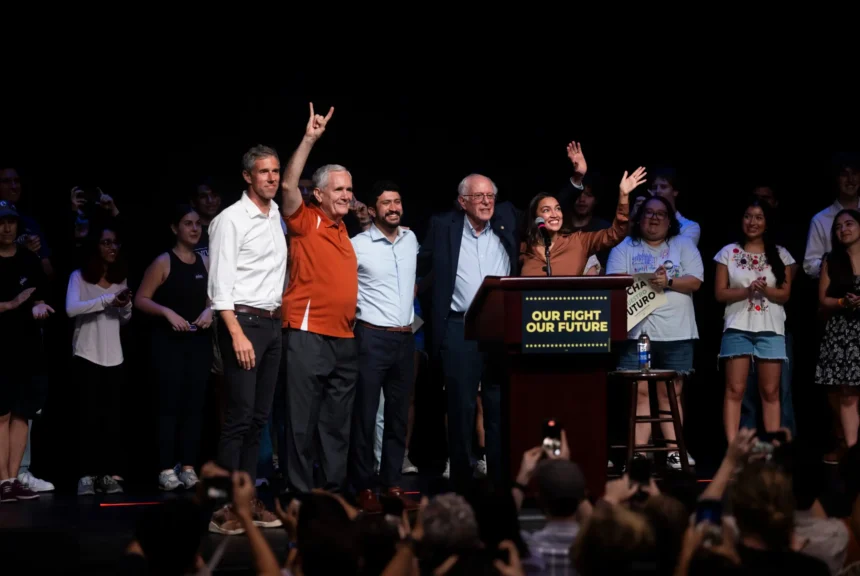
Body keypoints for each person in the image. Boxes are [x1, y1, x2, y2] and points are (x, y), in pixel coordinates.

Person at [418, 172, 520, 491]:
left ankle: (500, 478)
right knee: (461, 407)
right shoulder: (443, 226)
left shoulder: (507, 219)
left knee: (498, 405)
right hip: (458, 326)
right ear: (463, 202)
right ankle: (461, 479)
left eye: (490, 195)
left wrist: (575, 181)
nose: (487, 202)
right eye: (479, 197)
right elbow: (422, 266)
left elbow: (547, 209)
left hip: (500, 330)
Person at [207, 144, 287, 533]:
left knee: (259, 419)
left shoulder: (275, 216)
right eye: (264, 172)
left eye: (275, 171)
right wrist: (236, 333)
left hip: (272, 324)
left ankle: (249, 499)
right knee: (238, 418)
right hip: (242, 322)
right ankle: (223, 507)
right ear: (247, 177)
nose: (271, 178)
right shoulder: (230, 220)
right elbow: (219, 287)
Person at [280, 103, 359, 494]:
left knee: (336, 424)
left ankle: (331, 491)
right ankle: (298, 493)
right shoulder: (306, 218)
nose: (347, 194)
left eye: (349, 189)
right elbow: (288, 186)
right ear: (320, 193)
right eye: (339, 189)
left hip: (344, 339)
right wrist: (310, 139)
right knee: (301, 422)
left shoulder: (344, 229)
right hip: (308, 335)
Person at [607, 195, 703, 469]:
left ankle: (675, 451)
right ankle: (638, 454)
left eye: (661, 214)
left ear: (670, 220)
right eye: (649, 212)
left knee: (669, 393)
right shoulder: (625, 246)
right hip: (639, 333)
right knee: (640, 393)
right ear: (639, 217)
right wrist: (650, 280)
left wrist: (668, 280)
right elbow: (614, 281)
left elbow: (695, 281)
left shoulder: (682, 244)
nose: (654, 218)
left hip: (677, 331)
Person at [347, 180, 419, 512]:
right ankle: (364, 486)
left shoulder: (411, 239)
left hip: (405, 338)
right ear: (373, 210)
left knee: (397, 417)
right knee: (364, 415)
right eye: (386, 203)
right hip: (371, 337)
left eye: (398, 201)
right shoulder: (357, 244)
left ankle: (391, 484)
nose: (393, 207)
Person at [135, 205, 214, 490]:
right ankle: (166, 468)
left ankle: (189, 466)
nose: (194, 228)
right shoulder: (163, 261)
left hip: (198, 343)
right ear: (174, 228)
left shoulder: (204, 262)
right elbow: (141, 299)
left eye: (197, 224)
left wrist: (210, 311)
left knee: (194, 406)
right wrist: (168, 313)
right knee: (168, 406)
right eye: (187, 223)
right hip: (168, 345)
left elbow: (213, 297)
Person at [715, 198, 794, 441]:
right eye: (748, 216)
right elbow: (720, 293)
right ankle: (732, 452)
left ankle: (771, 451)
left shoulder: (781, 254)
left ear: (767, 222)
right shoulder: (728, 252)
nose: (753, 222)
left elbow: (785, 294)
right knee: (735, 390)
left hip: (770, 328)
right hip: (737, 326)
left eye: (759, 217)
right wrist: (748, 291)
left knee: (770, 391)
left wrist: (764, 290)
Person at [66, 225, 131, 496]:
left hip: (113, 355)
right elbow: (72, 309)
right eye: (106, 243)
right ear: (96, 246)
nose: (111, 248)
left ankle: (106, 474)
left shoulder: (120, 278)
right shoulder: (79, 277)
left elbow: (126, 319)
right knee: (88, 419)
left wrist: (123, 306)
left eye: (115, 243)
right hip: (87, 354)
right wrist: (107, 300)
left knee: (111, 420)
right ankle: (85, 475)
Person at [0, 201, 52, 502]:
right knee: (2, 415)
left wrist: (38, 305)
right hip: (1, 348)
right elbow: (16, 301)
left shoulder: (28, 260)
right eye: (1, 222)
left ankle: (13, 476)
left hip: (27, 347)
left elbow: (38, 295)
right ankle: (3, 480)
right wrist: (10, 304)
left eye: (11, 222)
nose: (7, 228)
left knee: (22, 413)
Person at [740, 185, 798, 437]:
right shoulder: (733, 249)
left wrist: (764, 290)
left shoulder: (783, 245)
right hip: (741, 325)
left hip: (776, 327)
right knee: (743, 392)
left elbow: (787, 287)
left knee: (777, 391)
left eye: (764, 201)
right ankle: (746, 451)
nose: (755, 216)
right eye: (753, 203)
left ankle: (781, 452)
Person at [519, 167, 646, 277]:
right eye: (546, 210)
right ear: (535, 218)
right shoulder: (524, 248)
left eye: (558, 209)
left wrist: (623, 195)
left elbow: (615, 234)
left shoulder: (578, 242)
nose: (554, 214)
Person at [815, 210, 860, 447]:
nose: (844, 229)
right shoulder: (831, 260)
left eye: (849, 223)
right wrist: (843, 302)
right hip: (842, 332)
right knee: (847, 393)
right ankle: (852, 451)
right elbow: (823, 299)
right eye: (838, 227)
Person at [804, 153, 860, 278]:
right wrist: (840, 267)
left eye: (855, 173)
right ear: (837, 178)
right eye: (844, 174)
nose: (851, 179)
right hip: (837, 292)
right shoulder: (820, 219)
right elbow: (810, 265)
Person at [648, 166, 701, 246]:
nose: (658, 191)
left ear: (675, 191)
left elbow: (680, 253)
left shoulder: (689, 227)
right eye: (654, 187)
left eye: (663, 187)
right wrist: (634, 218)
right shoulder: (645, 222)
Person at [189, 181, 222, 259]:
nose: (210, 200)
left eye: (214, 195)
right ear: (193, 202)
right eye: (203, 197)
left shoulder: (229, 227)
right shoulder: (188, 232)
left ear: (219, 199)